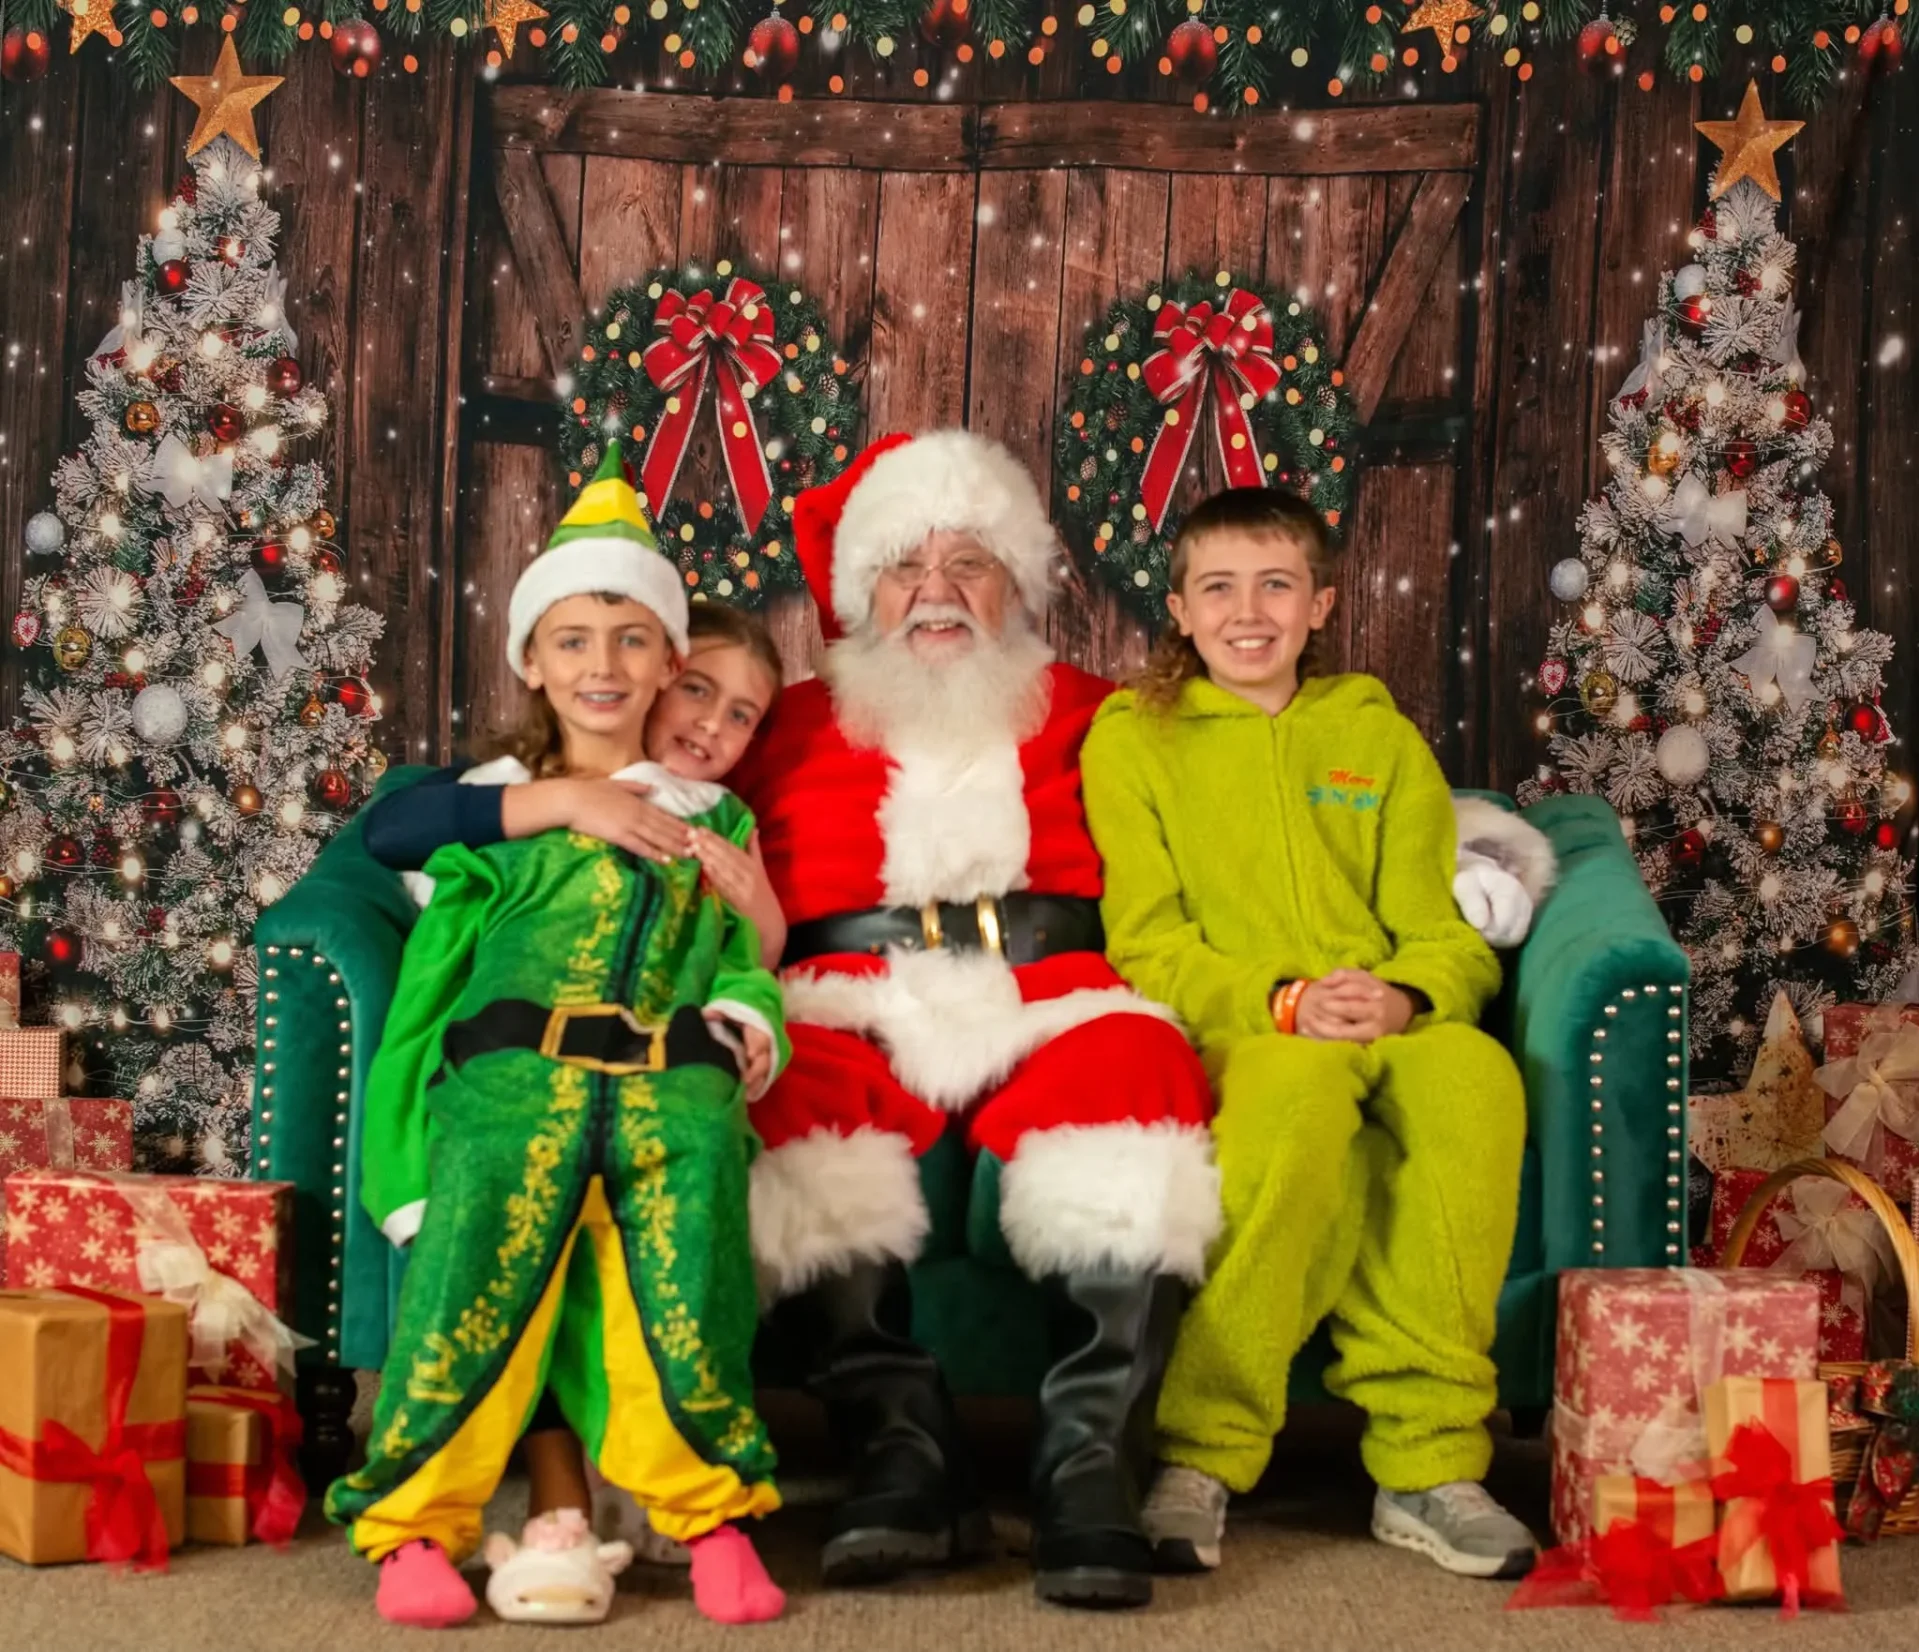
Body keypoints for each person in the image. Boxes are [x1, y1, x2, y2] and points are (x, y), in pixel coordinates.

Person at [730, 431, 1551, 1610]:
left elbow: (1273, 785)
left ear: (1019, 585)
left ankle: (1086, 1465)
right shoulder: (786, 721)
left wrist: (1475, 880)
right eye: (906, 566)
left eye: (971, 561)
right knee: (792, 1098)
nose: (938, 590)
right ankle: (901, 1450)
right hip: (847, 991)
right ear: (860, 592)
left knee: (1134, 1069)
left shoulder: (1109, 716)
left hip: (1052, 988)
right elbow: (656, 780)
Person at [325, 443, 790, 1630]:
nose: (603, 664)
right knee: (478, 1250)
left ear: (670, 661)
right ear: (532, 658)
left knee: (689, 1254)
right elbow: (391, 839)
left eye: (634, 638)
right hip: (511, 1075)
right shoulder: (487, 800)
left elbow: (744, 952)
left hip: (663, 1074)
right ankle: (412, 1525)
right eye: (574, 640)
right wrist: (568, 800)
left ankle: (714, 1510)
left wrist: (745, 1014)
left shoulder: (710, 814)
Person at [1080, 486, 1539, 1583]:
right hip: (1249, 1022)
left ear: (1322, 601)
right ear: (1182, 611)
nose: (1251, 611)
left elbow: (1445, 933)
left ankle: (1429, 1467)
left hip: (1385, 1010)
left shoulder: (1375, 738)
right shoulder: (1135, 738)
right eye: (1221, 587)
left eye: (1276, 583)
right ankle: (1201, 1449)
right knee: (1296, 1103)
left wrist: (1406, 998)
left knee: (1472, 1079)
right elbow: (1147, 943)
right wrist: (1283, 999)